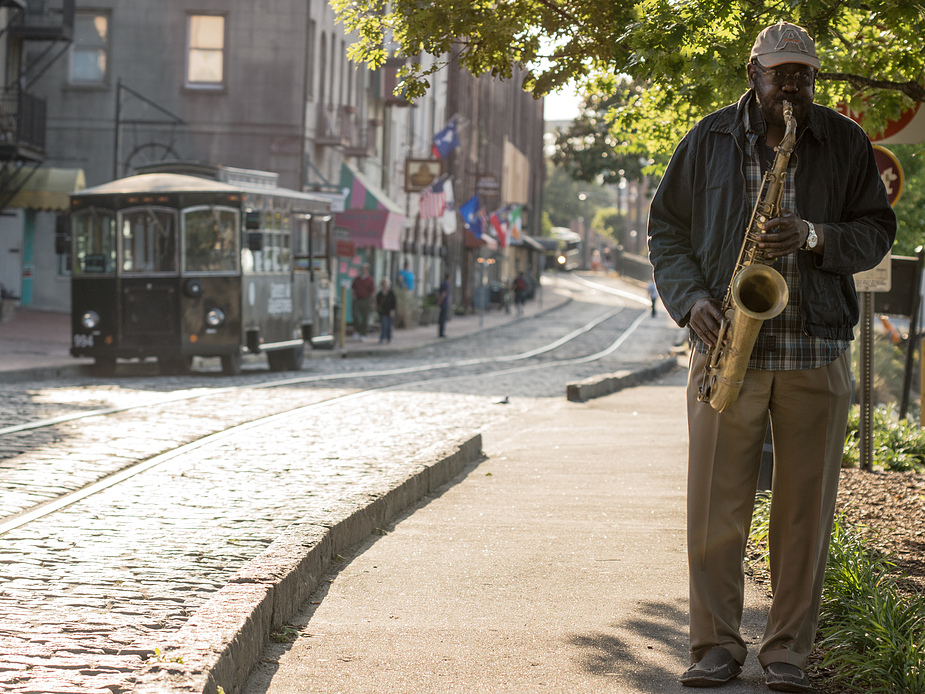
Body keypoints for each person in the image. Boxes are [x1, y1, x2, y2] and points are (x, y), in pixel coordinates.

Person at [647, 22, 895, 692]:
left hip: (812, 348)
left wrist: (815, 236)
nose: (793, 85)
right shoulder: (704, 140)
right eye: (780, 72)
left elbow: (875, 231)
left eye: (803, 75)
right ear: (750, 72)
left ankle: (786, 650)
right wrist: (689, 296)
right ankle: (713, 646)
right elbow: (665, 228)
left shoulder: (843, 141)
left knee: (801, 512)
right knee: (713, 507)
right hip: (725, 344)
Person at [351, 263, 375, 341]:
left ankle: (363, 333)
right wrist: (353, 296)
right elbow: (353, 288)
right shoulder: (357, 279)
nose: (363, 270)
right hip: (357, 299)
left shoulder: (370, 280)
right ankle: (357, 330)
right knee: (355, 315)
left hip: (366, 300)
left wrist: (372, 302)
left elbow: (372, 292)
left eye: (364, 269)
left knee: (365, 317)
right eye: (362, 268)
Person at [376, 278, 397, 344]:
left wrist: (393, 310)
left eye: (386, 284)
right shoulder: (379, 294)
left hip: (390, 311)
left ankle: (388, 337)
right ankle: (382, 338)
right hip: (383, 312)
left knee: (389, 326)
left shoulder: (391, 293)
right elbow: (378, 302)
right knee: (384, 324)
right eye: (384, 284)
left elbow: (394, 302)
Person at [437, 272, 451, 338]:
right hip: (444, 303)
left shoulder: (443, 283)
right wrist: (439, 302)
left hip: (443, 302)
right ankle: (441, 333)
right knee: (442, 318)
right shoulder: (446, 284)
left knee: (442, 318)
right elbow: (443, 294)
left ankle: (441, 332)